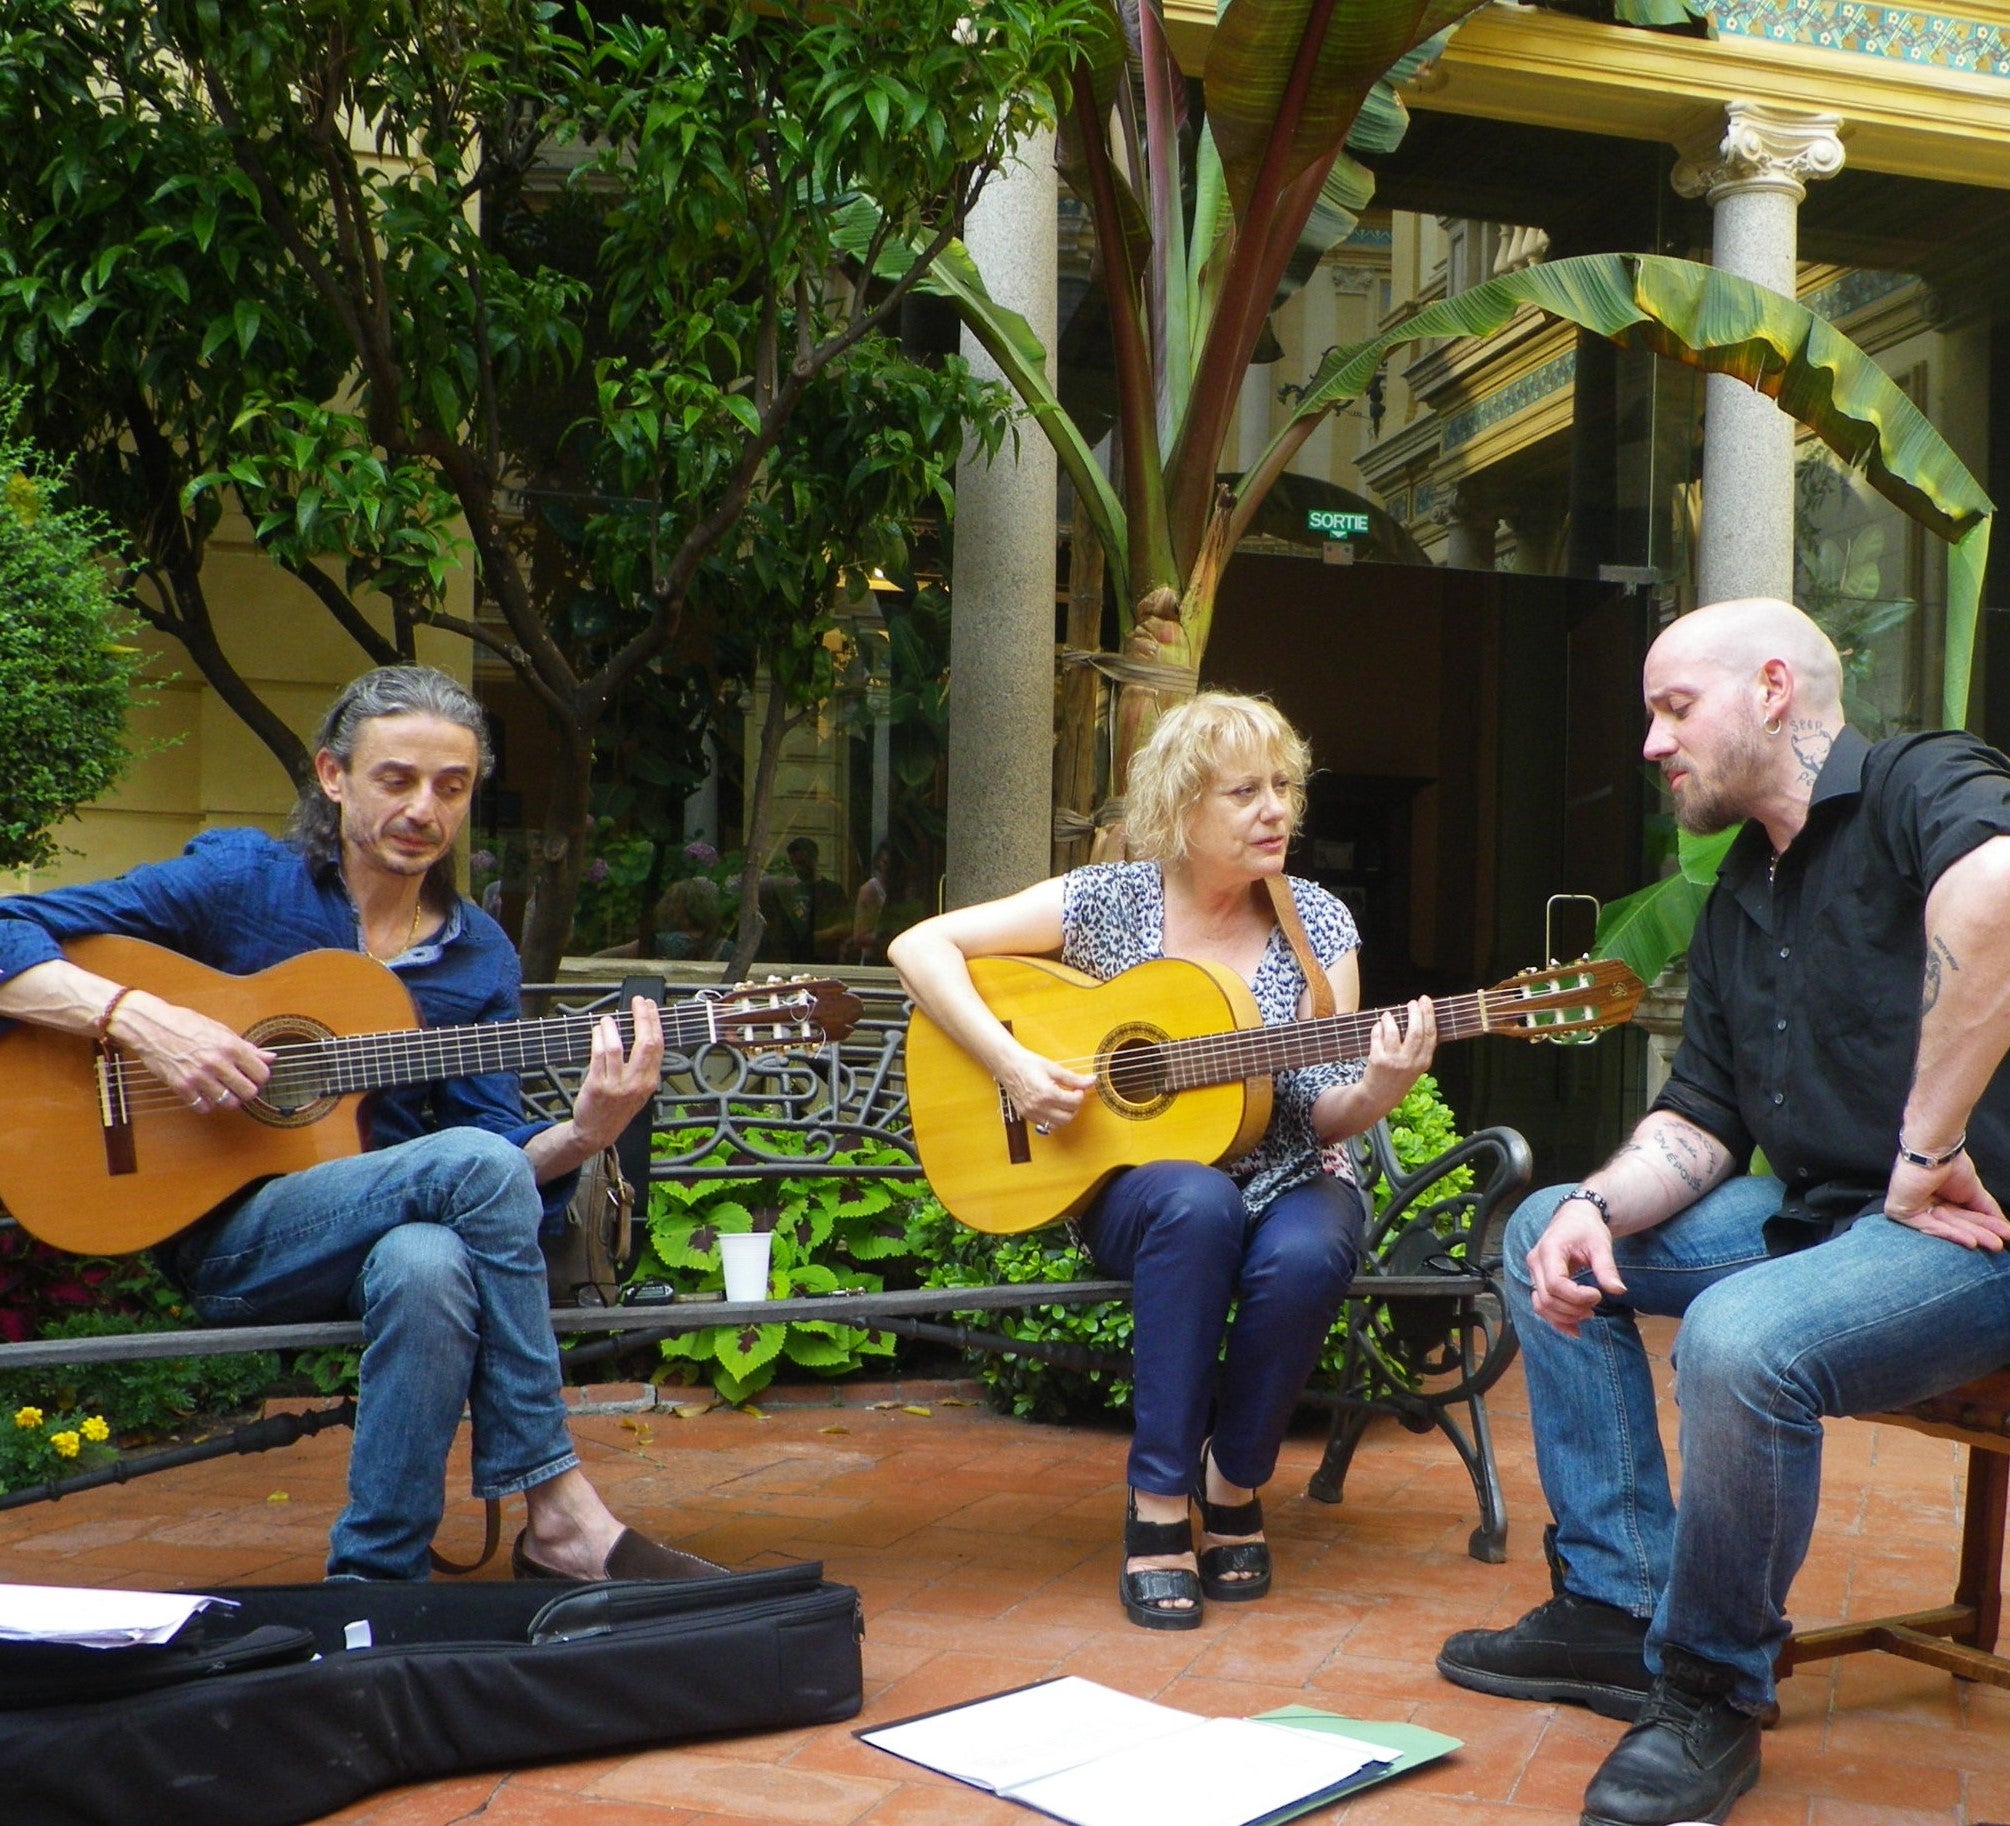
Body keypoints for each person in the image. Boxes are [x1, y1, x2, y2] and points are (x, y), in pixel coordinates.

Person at [1434, 600, 2010, 1825]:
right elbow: (1698, 1123)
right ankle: (1621, 1607)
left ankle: (1709, 1694)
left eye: (1675, 708)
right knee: (1539, 1233)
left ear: (1775, 688)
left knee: (1740, 1337)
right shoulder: (1742, 891)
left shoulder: (1919, 780)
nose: (1651, 743)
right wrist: (1594, 1203)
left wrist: (1928, 1148)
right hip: (1841, 1217)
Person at [0, 666, 722, 1585]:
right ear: (333, 776)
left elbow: (490, 1158)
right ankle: (560, 1510)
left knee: (431, 1262)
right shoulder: (239, 883)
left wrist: (583, 1136)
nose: (425, 808)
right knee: (457, 1177)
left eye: (452, 788)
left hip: (374, 1247)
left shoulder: (478, 956)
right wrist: (143, 1019)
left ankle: (376, 1591)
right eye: (397, 779)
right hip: (231, 1244)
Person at [889, 692, 1438, 1630]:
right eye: (1243, 792)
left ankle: (1231, 1484)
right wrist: (1014, 1064)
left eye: (1283, 786)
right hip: (1137, 1191)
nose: (1276, 809)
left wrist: (1382, 1086)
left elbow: (1327, 1109)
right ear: (1181, 810)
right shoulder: (1111, 900)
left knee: (1305, 1253)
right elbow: (919, 944)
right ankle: (1155, 1509)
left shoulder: (1316, 926)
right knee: (1195, 1204)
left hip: (1293, 1171)